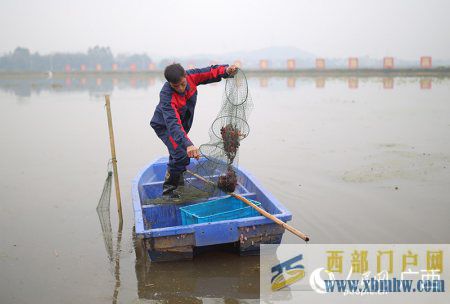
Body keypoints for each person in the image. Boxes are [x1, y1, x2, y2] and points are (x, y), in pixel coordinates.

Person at [150, 63, 238, 198]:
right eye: (175, 86)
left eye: (183, 84)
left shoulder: (191, 76)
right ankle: (169, 191)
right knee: (181, 155)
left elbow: (210, 72)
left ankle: (179, 185)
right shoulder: (166, 96)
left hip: (182, 125)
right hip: (166, 126)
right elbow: (173, 124)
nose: (180, 88)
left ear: (185, 76)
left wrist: (226, 70)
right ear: (169, 84)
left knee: (177, 153)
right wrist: (188, 144)